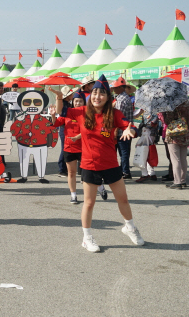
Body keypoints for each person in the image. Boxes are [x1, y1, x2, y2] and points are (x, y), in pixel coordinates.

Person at [52, 74, 144, 253]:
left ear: (108, 97)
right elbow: (62, 112)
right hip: (89, 164)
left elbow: (130, 125)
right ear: (89, 95)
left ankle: (130, 227)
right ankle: (87, 238)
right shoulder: (81, 112)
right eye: (94, 93)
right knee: (89, 203)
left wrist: (128, 129)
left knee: (123, 199)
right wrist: (58, 98)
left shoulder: (114, 113)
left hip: (111, 164)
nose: (97, 96)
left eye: (102, 93)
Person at [50, 92, 108, 204]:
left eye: (80, 101)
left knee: (90, 171)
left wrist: (78, 137)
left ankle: (100, 187)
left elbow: (91, 129)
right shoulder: (68, 113)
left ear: (84, 102)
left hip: (84, 147)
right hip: (69, 147)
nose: (78, 103)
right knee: (71, 172)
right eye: (76, 101)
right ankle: (73, 195)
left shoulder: (88, 113)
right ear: (72, 102)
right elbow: (56, 124)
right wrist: (53, 115)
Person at [162, 98, 189, 189]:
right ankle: (183, 180)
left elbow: (167, 121)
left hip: (174, 135)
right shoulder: (188, 104)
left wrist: (164, 113)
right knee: (183, 158)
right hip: (185, 133)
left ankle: (177, 181)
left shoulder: (171, 105)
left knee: (175, 159)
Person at [112, 77, 136, 179]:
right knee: (124, 152)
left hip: (122, 130)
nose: (114, 89)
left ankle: (125, 171)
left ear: (121, 88)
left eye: (115, 88)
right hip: (126, 129)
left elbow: (118, 117)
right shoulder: (124, 98)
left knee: (123, 152)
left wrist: (115, 131)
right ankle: (124, 170)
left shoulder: (121, 99)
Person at [47, 86, 74, 178]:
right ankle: (61, 169)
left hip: (65, 127)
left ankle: (64, 169)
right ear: (67, 96)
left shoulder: (67, 103)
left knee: (66, 148)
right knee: (64, 148)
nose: (72, 95)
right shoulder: (64, 104)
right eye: (71, 94)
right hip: (63, 127)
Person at [135, 113, 159, 183]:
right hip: (150, 134)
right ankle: (151, 173)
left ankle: (144, 174)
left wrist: (144, 124)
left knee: (143, 154)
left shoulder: (151, 111)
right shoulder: (154, 110)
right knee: (148, 154)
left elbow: (152, 124)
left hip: (148, 134)